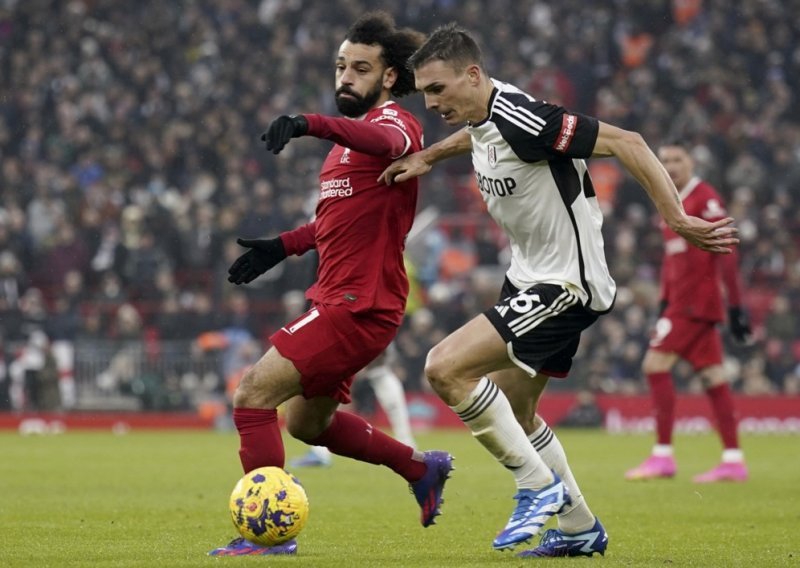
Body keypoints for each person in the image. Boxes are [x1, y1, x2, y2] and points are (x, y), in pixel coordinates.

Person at [380, 23, 738, 558]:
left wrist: (677, 217)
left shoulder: (527, 119)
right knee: (515, 411)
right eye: (425, 91)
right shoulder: (482, 114)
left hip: (565, 283)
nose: (430, 103)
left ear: (473, 75)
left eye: (438, 89)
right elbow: (479, 134)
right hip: (529, 275)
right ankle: (579, 528)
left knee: (444, 367)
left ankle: (537, 486)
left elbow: (626, 141)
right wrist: (429, 157)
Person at [209, 13, 453, 557]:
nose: (345, 76)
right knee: (306, 422)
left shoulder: (397, 125)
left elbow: (388, 141)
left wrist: (310, 122)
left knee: (252, 395)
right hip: (342, 298)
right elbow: (334, 224)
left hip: (358, 304)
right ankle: (420, 467)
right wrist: (282, 247)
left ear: (389, 77)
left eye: (360, 68)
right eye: (341, 66)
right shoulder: (343, 151)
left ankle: (270, 535)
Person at [625, 141, 752, 483]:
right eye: (665, 160)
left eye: (677, 159)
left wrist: (737, 305)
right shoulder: (669, 201)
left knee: (654, 365)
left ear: (692, 162)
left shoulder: (704, 198)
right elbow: (671, 259)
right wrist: (664, 300)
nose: (671, 166)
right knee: (714, 377)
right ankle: (733, 460)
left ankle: (663, 456)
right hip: (682, 302)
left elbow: (727, 251)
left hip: (695, 303)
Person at [291, 344, 417, 467]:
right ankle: (319, 453)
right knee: (331, 401)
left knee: (390, 394)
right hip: (350, 358)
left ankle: (408, 448)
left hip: (366, 359)